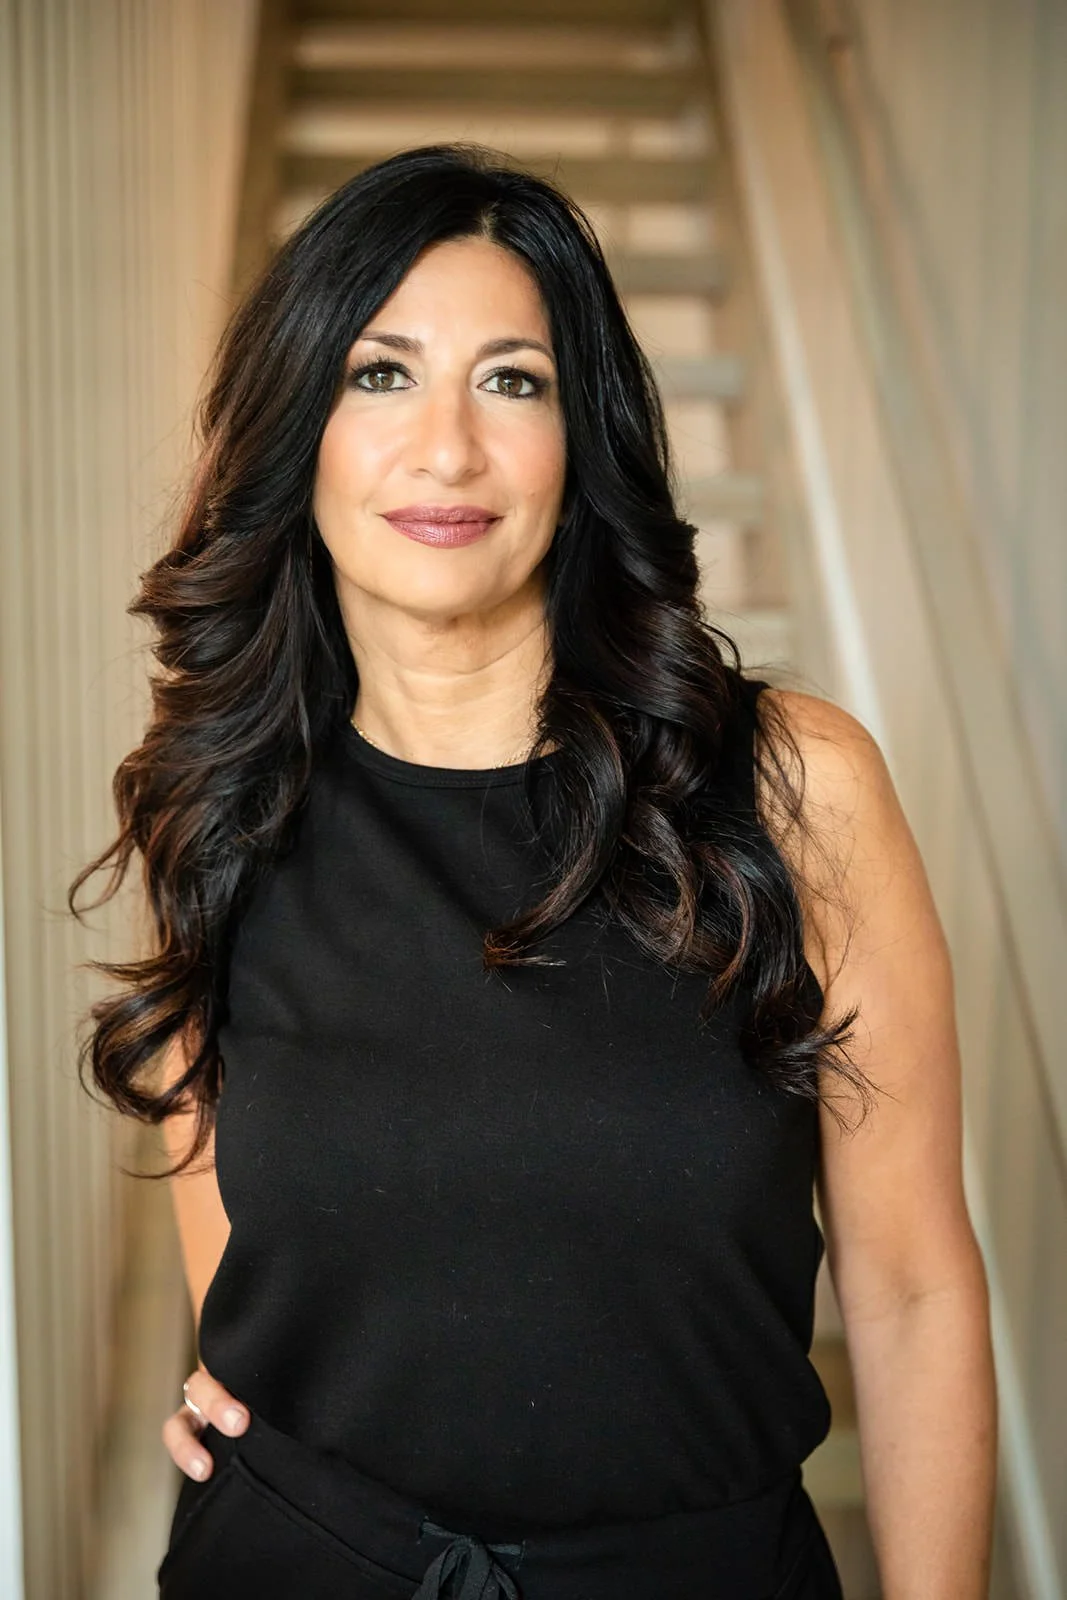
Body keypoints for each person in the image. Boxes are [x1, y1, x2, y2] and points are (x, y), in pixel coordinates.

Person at [70, 144, 996, 1600]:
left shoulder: (787, 789)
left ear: (586, 436)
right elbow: (241, 1266)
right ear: (295, 420)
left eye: (512, 379)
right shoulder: (223, 805)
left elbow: (912, 1287)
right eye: (379, 374)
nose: (446, 450)